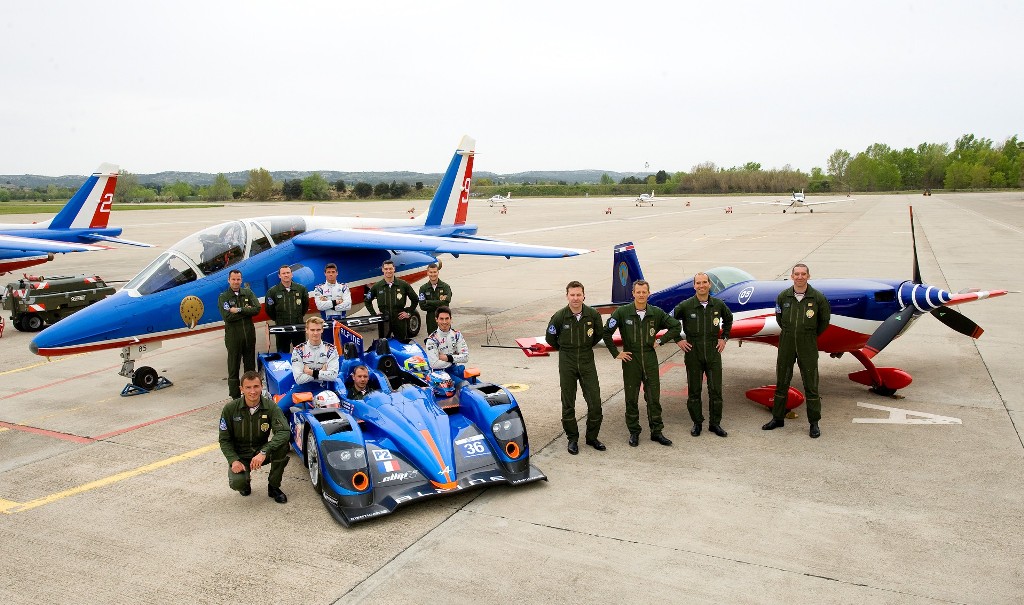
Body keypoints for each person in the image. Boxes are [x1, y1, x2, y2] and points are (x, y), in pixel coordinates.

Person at [603, 279, 682, 447]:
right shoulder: (622, 312)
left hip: (649, 358)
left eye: (644, 292)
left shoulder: (656, 313)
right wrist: (616, 353)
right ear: (633, 294)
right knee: (631, 398)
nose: (641, 295)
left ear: (648, 293)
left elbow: (675, 326)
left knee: (653, 398)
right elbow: (606, 332)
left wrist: (661, 341)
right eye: (638, 292)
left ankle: (657, 432)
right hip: (631, 359)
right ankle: (634, 432)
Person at [762, 263, 831, 438]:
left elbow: (823, 322)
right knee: (782, 380)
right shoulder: (783, 297)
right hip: (786, 342)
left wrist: (807, 334)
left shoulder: (818, 298)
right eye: (797, 274)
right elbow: (779, 318)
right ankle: (778, 418)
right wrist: (790, 332)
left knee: (811, 384)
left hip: (807, 344)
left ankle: (814, 423)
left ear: (808, 276)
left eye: (803, 274)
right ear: (792, 277)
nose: (800, 277)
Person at [546, 281, 605, 455]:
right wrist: (566, 350)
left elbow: (598, 336)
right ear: (567, 296)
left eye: (578, 295)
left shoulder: (593, 315)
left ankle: (592, 437)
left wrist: (583, 348)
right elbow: (550, 338)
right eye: (572, 295)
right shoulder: (559, 316)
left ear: (584, 296)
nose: (575, 298)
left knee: (595, 403)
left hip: (587, 360)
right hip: (567, 361)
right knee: (568, 403)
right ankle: (572, 438)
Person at [673, 272, 734, 438]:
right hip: (693, 352)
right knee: (694, 391)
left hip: (714, 352)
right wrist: (678, 339)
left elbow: (729, 319)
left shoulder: (718, 305)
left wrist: (724, 338)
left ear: (709, 285)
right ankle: (697, 423)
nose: (701, 285)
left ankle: (715, 424)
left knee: (716, 391)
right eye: (698, 283)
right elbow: (669, 321)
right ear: (694, 286)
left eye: (704, 282)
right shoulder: (686, 306)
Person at [218, 371, 290, 503]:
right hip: (241, 455)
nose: (253, 391)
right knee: (237, 483)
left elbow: (284, 432)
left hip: (261, 450)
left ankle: (273, 487)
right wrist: (233, 460)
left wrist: (264, 451)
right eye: (248, 387)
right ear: (241, 389)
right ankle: (244, 482)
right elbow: (224, 439)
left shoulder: (270, 407)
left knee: (282, 446)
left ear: (261, 386)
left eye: (256, 386)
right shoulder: (230, 409)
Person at [217, 269, 260, 398]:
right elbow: (228, 317)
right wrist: (246, 312)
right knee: (233, 367)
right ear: (229, 280)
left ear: (241, 280)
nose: (236, 282)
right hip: (233, 338)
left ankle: (251, 393)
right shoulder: (224, 297)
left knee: (250, 367)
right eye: (233, 279)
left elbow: (257, 309)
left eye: (238, 279)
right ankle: (235, 396)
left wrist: (238, 310)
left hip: (248, 336)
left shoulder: (247, 293)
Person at [364, 259, 419, 340]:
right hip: (384, 321)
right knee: (384, 346)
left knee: (401, 343)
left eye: (390, 269)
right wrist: (374, 315)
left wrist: (409, 312)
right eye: (386, 269)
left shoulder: (403, 284)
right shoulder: (377, 286)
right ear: (382, 270)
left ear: (394, 269)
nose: (388, 271)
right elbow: (367, 301)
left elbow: (415, 299)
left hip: (400, 320)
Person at [264, 265, 309, 353]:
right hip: (281, 328)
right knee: (282, 354)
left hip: (298, 327)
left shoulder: (301, 289)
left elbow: (305, 306)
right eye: (283, 273)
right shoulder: (272, 292)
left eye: (288, 273)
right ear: (279, 276)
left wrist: (298, 316)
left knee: (301, 353)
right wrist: (279, 319)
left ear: (292, 274)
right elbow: (269, 310)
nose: (286, 275)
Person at [291, 317, 339, 388]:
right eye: (312, 330)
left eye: (318, 330)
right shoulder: (298, 350)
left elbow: (333, 376)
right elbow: (299, 379)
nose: (315, 333)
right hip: (302, 388)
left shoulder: (331, 349)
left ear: (322, 330)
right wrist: (321, 372)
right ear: (306, 330)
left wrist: (312, 373)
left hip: (324, 387)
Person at [424, 306, 468, 378]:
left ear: (451, 319)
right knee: (463, 385)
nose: (444, 322)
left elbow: (465, 357)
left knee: (478, 384)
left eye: (447, 318)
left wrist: (448, 358)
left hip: (455, 369)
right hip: (440, 374)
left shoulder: (457, 334)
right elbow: (434, 364)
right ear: (436, 319)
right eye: (441, 319)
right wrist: (454, 359)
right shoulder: (432, 340)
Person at [417, 263, 452, 336]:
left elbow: (446, 302)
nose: (433, 274)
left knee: (446, 340)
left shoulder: (445, 287)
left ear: (438, 272)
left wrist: (428, 302)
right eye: (431, 272)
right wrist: (439, 303)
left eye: (435, 272)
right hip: (431, 320)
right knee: (432, 340)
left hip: (444, 320)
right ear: (427, 273)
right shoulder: (423, 288)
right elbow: (422, 306)